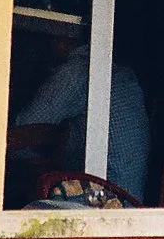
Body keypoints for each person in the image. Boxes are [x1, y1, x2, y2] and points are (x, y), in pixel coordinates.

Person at [13, 34, 152, 204]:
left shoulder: (79, 71)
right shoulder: (121, 74)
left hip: (107, 204)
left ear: (62, 39)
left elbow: (19, 140)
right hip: (131, 203)